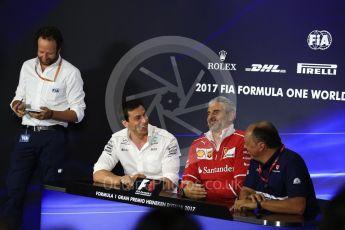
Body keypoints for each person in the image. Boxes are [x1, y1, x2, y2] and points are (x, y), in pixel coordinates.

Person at [3, 26, 86, 227]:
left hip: (53, 137)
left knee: (51, 191)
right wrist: (17, 106)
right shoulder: (27, 66)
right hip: (27, 135)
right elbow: (17, 96)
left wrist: (52, 114)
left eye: (49, 52)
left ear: (59, 49)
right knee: (14, 189)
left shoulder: (70, 72)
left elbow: (78, 114)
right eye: (40, 51)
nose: (44, 56)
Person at [234, 121, 319, 217]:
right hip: (266, 222)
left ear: (261, 146)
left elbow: (298, 207)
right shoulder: (255, 160)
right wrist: (247, 200)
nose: (244, 147)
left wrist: (259, 204)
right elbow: (246, 190)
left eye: (247, 143)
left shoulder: (292, 161)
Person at [93, 99, 180, 191]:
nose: (145, 120)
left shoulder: (168, 139)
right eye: (138, 118)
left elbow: (171, 180)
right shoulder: (116, 139)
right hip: (133, 200)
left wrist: (143, 184)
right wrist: (121, 180)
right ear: (125, 123)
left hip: (163, 198)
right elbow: (98, 173)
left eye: (144, 114)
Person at [180, 96, 249, 205]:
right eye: (208, 113)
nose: (211, 117)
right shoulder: (197, 144)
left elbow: (240, 186)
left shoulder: (243, 140)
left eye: (216, 112)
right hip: (199, 209)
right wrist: (185, 190)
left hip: (231, 212)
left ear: (231, 115)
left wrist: (203, 189)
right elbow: (187, 180)